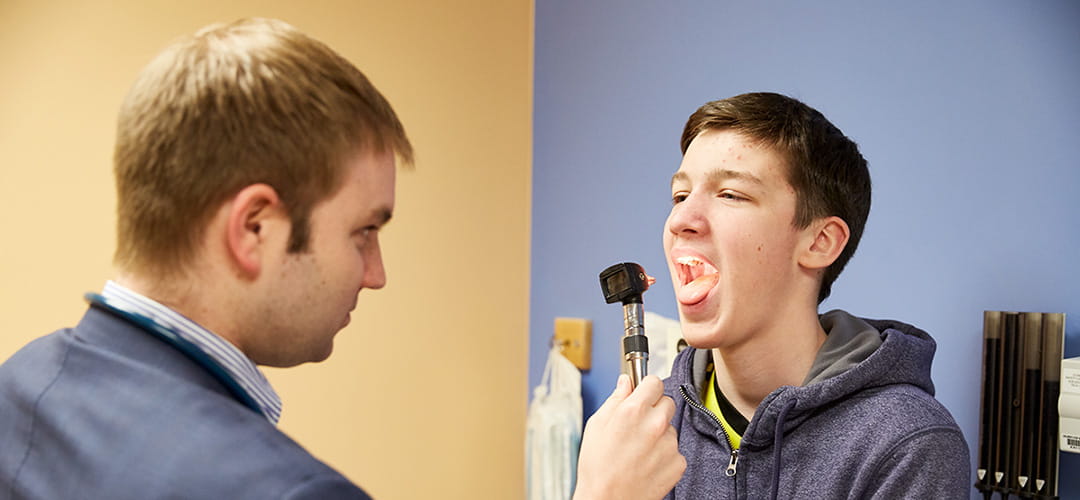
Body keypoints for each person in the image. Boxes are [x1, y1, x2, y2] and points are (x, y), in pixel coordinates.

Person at [0, 18, 683, 499]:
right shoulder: (284, 492)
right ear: (256, 228)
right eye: (364, 232)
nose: (376, 273)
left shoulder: (22, 382)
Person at [660, 92, 970, 499]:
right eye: (680, 196)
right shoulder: (650, 427)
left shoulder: (906, 445)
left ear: (820, 242)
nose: (681, 219)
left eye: (730, 194)